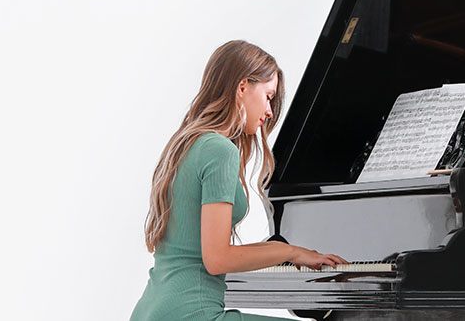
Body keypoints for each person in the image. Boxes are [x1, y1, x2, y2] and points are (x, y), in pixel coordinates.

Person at [130, 40, 348, 321]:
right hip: (192, 314)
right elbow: (217, 258)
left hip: (152, 310)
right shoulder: (219, 150)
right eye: (268, 96)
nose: (270, 112)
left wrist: (292, 252)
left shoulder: (186, 144)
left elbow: (202, 251)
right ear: (243, 86)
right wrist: (290, 251)